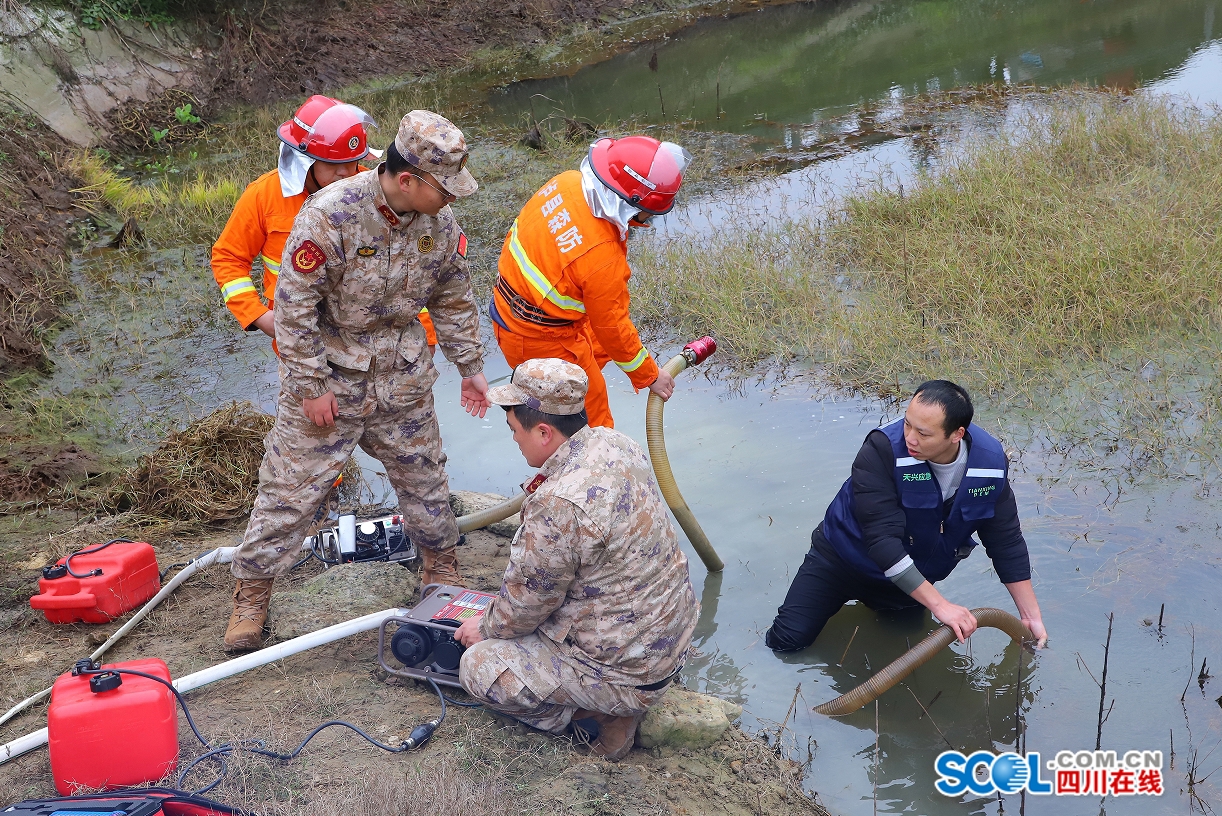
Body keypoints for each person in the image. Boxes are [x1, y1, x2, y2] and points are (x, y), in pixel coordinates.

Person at [223, 110, 489, 652]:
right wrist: (310, 387)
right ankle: (251, 594)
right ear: (407, 179)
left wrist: (471, 369)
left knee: (425, 479)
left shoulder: (440, 224)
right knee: (289, 490)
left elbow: (453, 297)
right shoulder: (330, 215)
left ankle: (440, 568)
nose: (451, 198)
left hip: (402, 377)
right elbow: (294, 310)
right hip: (331, 379)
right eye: (444, 188)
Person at [453, 358, 699, 760]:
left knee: (479, 666)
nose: (513, 439)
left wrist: (483, 627)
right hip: (670, 643)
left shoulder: (559, 502)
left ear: (544, 432)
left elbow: (524, 607)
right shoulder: (615, 442)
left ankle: (599, 716)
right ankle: (615, 699)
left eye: (514, 429)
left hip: (630, 672)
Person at [766, 380, 1049, 653]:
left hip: (907, 582)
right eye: (907, 424)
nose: (910, 438)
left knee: (901, 646)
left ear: (956, 434)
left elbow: (1005, 540)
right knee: (787, 642)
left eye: (923, 434)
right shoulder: (881, 449)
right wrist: (940, 606)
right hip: (839, 562)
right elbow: (882, 541)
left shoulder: (990, 465)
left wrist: (1030, 616)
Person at [489, 136, 689, 428]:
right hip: (538, 338)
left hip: (513, 309)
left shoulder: (566, 182)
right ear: (633, 202)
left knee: (602, 348)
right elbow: (613, 327)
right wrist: (650, 376)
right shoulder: (601, 256)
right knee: (591, 421)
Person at [211, 95, 437, 349]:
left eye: (352, 162)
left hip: (371, 344)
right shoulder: (264, 196)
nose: (346, 174)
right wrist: (258, 316)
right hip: (303, 341)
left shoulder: (375, 190)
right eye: (333, 164)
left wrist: (427, 338)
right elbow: (228, 259)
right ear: (304, 160)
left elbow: (407, 271)